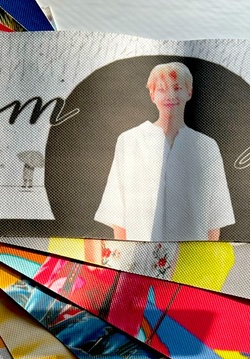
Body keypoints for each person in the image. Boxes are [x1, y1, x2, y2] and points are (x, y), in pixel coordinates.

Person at [94, 62, 235, 241]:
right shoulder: (130, 141)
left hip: (191, 252)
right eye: (161, 89)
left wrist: (205, 256)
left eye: (177, 88)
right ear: (152, 95)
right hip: (141, 251)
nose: (170, 96)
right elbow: (117, 211)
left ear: (189, 92)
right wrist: (125, 253)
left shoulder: (206, 146)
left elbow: (215, 217)